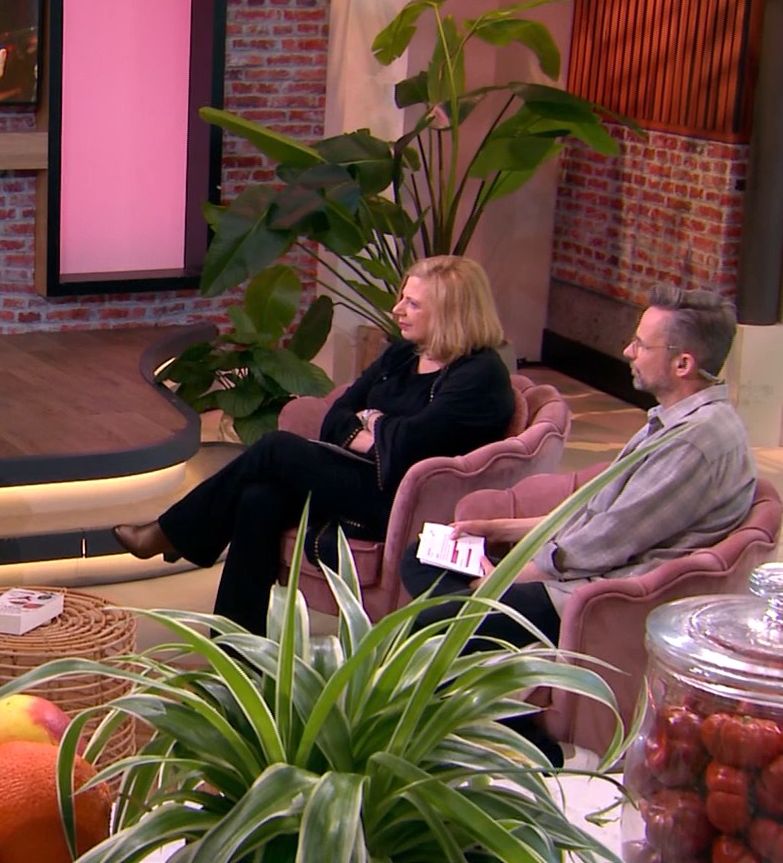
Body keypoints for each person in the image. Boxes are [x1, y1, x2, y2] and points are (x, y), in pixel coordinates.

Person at [397, 286, 757, 754]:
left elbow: (606, 541)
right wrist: (499, 531)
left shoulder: (695, 442)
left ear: (682, 363)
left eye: (641, 344)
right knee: (422, 556)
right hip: (583, 567)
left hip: (596, 594)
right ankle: (490, 666)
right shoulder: (675, 420)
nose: (627, 351)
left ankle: (524, 737)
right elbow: (594, 511)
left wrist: (507, 577)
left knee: (428, 626)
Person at [113, 255, 518, 634]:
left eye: (412, 304)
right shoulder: (402, 355)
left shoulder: (479, 376)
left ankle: (172, 532)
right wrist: (375, 433)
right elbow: (339, 412)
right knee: (258, 498)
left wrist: (373, 425)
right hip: (362, 476)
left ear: (450, 313)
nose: (397, 310)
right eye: (402, 298)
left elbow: (409, 446)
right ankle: (235, 648)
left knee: (276, 448)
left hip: (403, 502)